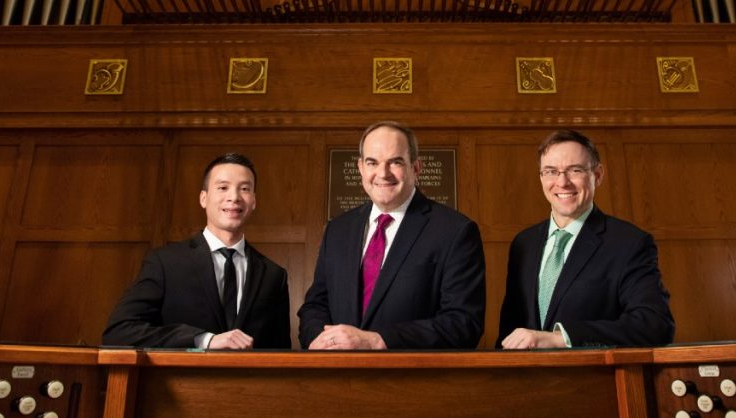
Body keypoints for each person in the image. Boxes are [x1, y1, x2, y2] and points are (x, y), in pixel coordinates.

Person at [299, 121, 486, 349]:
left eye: (395, 162)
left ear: (415, 168)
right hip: (337, 376)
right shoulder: (338, 230)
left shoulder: (455, 231)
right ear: (361, 168)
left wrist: (378, 340)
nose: (383, 173)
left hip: (410, 379)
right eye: (372, 163)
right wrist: (319, 340)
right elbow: (315, 306)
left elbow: (463, 323)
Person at [498, 130, 674, 349]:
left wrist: (562, 338)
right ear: (541, 177)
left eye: (575, 170)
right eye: (551, 171)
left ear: (597, 175)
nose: (562, 182)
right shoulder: (524, 243)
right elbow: (511, 329)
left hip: (593, 379)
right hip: (525, 380)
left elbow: (655, 325)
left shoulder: (629, 243)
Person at [102, 152, 291, 349]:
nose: (234, 197)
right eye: (223, 187)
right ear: (203, 198)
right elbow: (119, 331)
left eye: (244, 189)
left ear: (253, 201)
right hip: (179, 380)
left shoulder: (274, 275)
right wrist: (204, 340)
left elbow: (281, 353)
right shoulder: (165, 263)